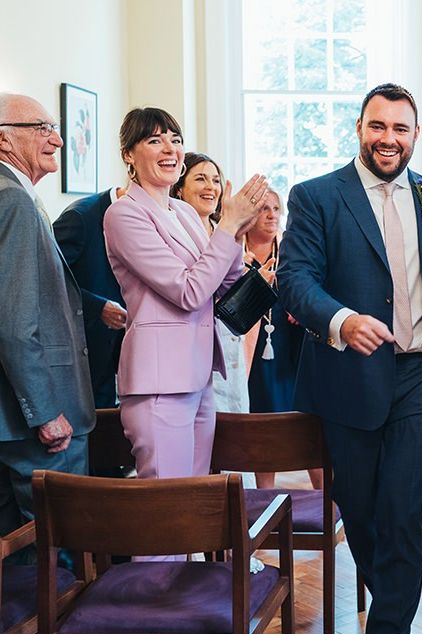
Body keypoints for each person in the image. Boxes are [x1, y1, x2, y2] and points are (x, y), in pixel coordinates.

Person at [278, 83, 422, 634]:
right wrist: (342, 319)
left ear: (416, 134)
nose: (388, 139)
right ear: (359, 128)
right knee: (360, 511)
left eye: (400, 128)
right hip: (348, 377)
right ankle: (394, 606)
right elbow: (295, 279)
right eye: (377, 126)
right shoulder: (316, 196)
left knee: (406, 510)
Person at [104, 108, 266, 495]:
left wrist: (238, 234)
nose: (170, 149)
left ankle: (194, 560)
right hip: (159, 382)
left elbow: (223, 284)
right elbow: (189, 291)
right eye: (154, 140)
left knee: (193, 503)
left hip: (198, 376)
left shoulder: (186, 214)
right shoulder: (124, 215)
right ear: (129, 154)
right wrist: (226, 224)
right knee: (166, 509)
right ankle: (156, 561)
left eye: (176, 140)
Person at [0, 92, 95, 634]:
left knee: (21, 560)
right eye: (44, 128)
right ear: (4, 136)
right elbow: (14, 326)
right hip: (37, 420)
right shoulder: (12, 201)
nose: (57, 139)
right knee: (52, 556)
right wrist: (43, 411)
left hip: (16, 418)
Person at [244, 190, 322, 490]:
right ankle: (263, 501)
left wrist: (302, 309)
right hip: (252, 355)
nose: (272, 214)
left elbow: (314, 290)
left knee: (304, 427)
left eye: (276, 208)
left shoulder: (291, 252)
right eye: (263, 208)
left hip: (291, 352)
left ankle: (329, 507)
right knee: (261, 431)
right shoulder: (234, 255)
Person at [171, 151, 252, 414]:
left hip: (230, 342)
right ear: (180, 189)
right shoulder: (173, 232)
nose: (211, 187)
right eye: (201, 179)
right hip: (193, 342)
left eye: (216, 180)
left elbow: (231, 288)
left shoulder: (227, 231)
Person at [54, 187, 127, 408]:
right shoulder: (80, 217)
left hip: (124, 360)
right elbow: (46, 279)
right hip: (86, 361)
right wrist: (97, 307)